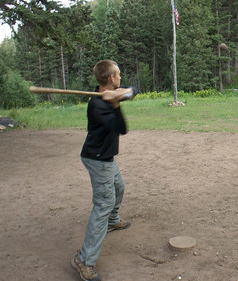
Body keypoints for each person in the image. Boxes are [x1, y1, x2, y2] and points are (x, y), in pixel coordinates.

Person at [71, 60, 133, 281]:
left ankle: (113, 220)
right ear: (111, 78)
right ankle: (84, 261)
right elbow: (122, 129)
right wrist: (115, 105)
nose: (120, 78)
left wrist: (123, 95)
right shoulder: (98, 105)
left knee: (119, 187)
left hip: (104, 156)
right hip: (98, 159)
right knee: (103, 204)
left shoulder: (109, 94)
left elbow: (134, 91)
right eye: (119, 75)